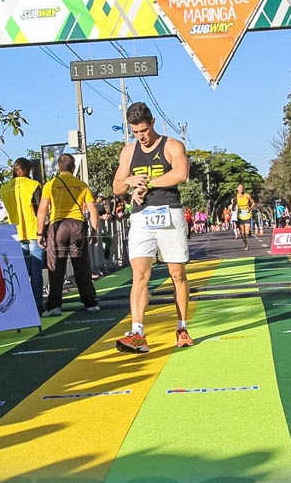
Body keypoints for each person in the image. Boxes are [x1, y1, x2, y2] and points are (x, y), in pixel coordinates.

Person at [112, 102, 192, 353]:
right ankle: (137, 333)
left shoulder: (172, 145)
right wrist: (128, 180)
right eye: (135, 132)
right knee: (139, 275)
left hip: (169, 212)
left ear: (153, 123)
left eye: (144, 131)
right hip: (141, 217)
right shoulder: (128, 152)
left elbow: (180, 173)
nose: (141, 137)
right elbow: (116, 187)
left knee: (176, 274)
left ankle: (182, 327)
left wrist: (150, 184)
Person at [36, 153, 99, 316]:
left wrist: (39, 233)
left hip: (58, 227)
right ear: (73, 168)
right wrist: (94, 230)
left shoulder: (50, 185)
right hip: (77, 225)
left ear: (58, 167)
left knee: (56, 267)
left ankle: (54, 306)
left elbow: (42, 210)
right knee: (81, 266)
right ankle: (90, 303)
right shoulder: (81, 185)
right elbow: (92, 210)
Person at [0, 157, 44, 314]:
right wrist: (42, 231)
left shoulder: (5, 189)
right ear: (29, 169)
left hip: (16, 233)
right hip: (33, 231)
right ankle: (38, 304)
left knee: (21, 272)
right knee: (36, 271)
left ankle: (24, 306)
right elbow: (40, 209)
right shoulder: (33, 186)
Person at [233, 184, 256, 250]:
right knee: (242, 233)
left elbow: (253, 203)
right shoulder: (236, 197)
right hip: (239, 216)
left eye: (242, 188)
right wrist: (234, 209)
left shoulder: (247, 195)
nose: (241, 189)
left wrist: (250, 208)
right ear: (237, 189)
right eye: (239, 188)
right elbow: (233, 206)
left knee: (247, 232)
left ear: (243, 189)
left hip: (247, 215)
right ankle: (246, 245)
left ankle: (249, 232)